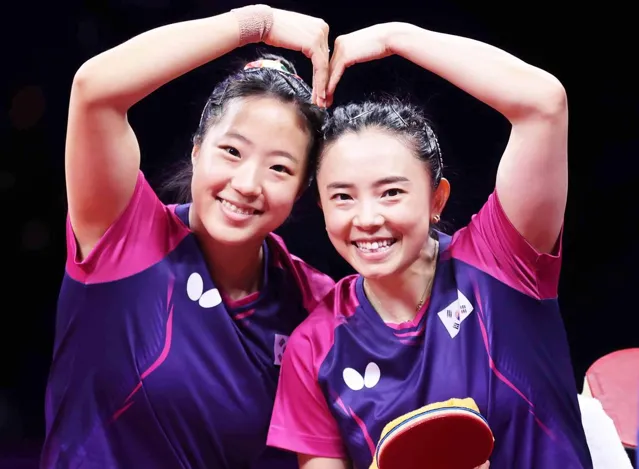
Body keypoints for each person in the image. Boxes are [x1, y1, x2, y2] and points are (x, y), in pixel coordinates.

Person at [268, 21, 592, 469]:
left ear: (436, 199)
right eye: (342, 197)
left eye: (391, 192)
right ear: (322, 206)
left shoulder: (500, 261)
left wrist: (396, 37)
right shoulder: (314, 347)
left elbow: (544, 103)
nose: (367, 218)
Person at [41, 5, 336, 469]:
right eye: (232, 151)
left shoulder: (315, 303)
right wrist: (256, 23)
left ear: (302, 190)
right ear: (197, 150)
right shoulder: (125, 235)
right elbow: (94, 90)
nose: (248, 183)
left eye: (280, 168)